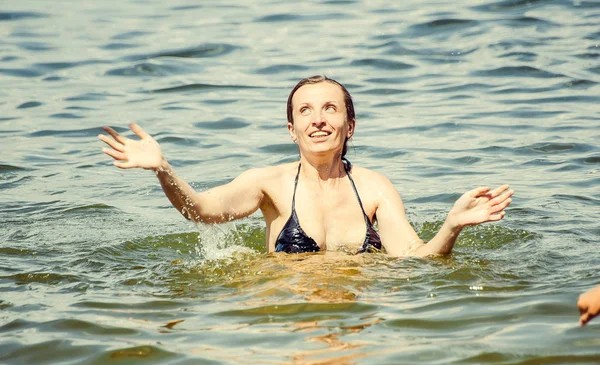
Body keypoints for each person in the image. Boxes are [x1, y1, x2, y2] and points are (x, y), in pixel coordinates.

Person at [98, 75, 513, 256]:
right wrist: (162, 169)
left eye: (330, 109)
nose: (318, 119)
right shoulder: (269, 183)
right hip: (290, 318)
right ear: (291, 129)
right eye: (306, 111)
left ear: (349, 126)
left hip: (357, 323)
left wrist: (452, 226)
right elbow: (203, 211)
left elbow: (415, 260)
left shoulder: (374, 188)